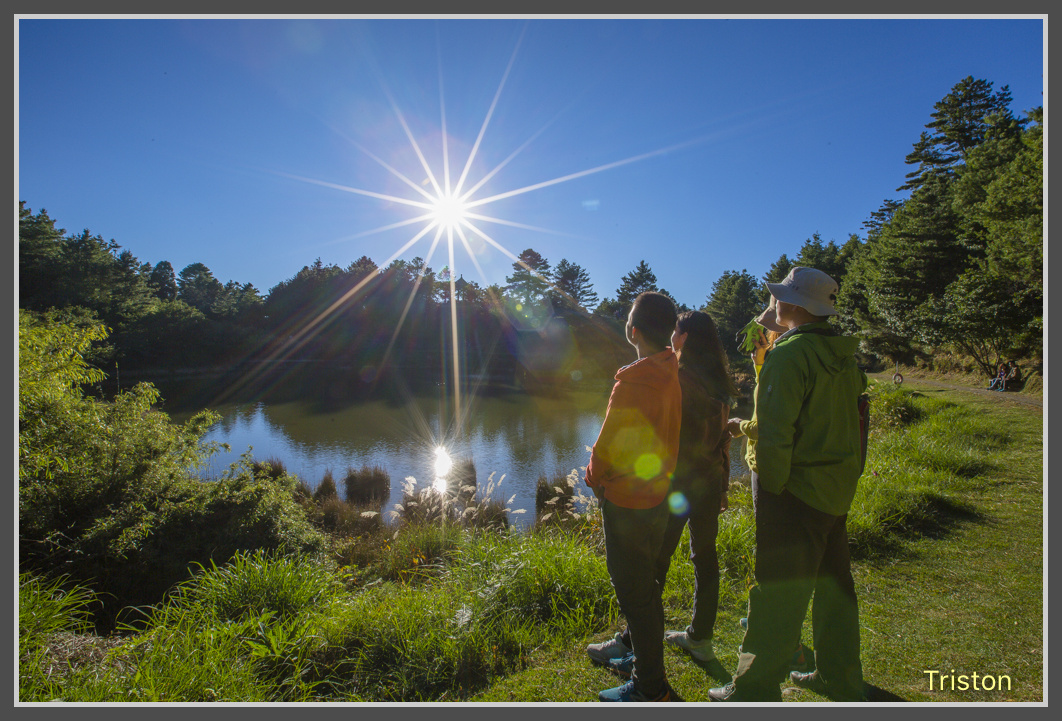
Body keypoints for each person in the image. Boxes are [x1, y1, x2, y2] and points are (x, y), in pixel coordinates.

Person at [709, 267, 868, 702]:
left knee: (775, 591)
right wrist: (765, 362)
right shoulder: (839, 352)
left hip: (792, 490)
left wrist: (774, 494)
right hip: (834, 487)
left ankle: (754, 689)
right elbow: (820, 419)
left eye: (780, 296)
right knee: (835, 586)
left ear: (795, 304)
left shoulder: (790, 354)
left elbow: (778, 434)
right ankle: (838, 674)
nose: (774, 303)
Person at [596, 311, 739, 675]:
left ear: (686, 337)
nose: (672, 337)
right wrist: (722, 487)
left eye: (676, 331)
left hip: (677, 487)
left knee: (655, 564)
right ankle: (700, 638)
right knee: (705, 560)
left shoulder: (681, 378)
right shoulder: (719, 383)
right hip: (707, 483)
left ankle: (633, 645)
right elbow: (722, 441)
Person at [584, 292, 683, 703]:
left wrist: (594, 478)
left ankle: (649, 686)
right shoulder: (670, 369)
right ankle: (639, 663)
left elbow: (606, 447)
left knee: (633, 591)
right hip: (658, 494)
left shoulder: (633, 380)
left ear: (633, 330)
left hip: (626, 500)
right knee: (645, 586)